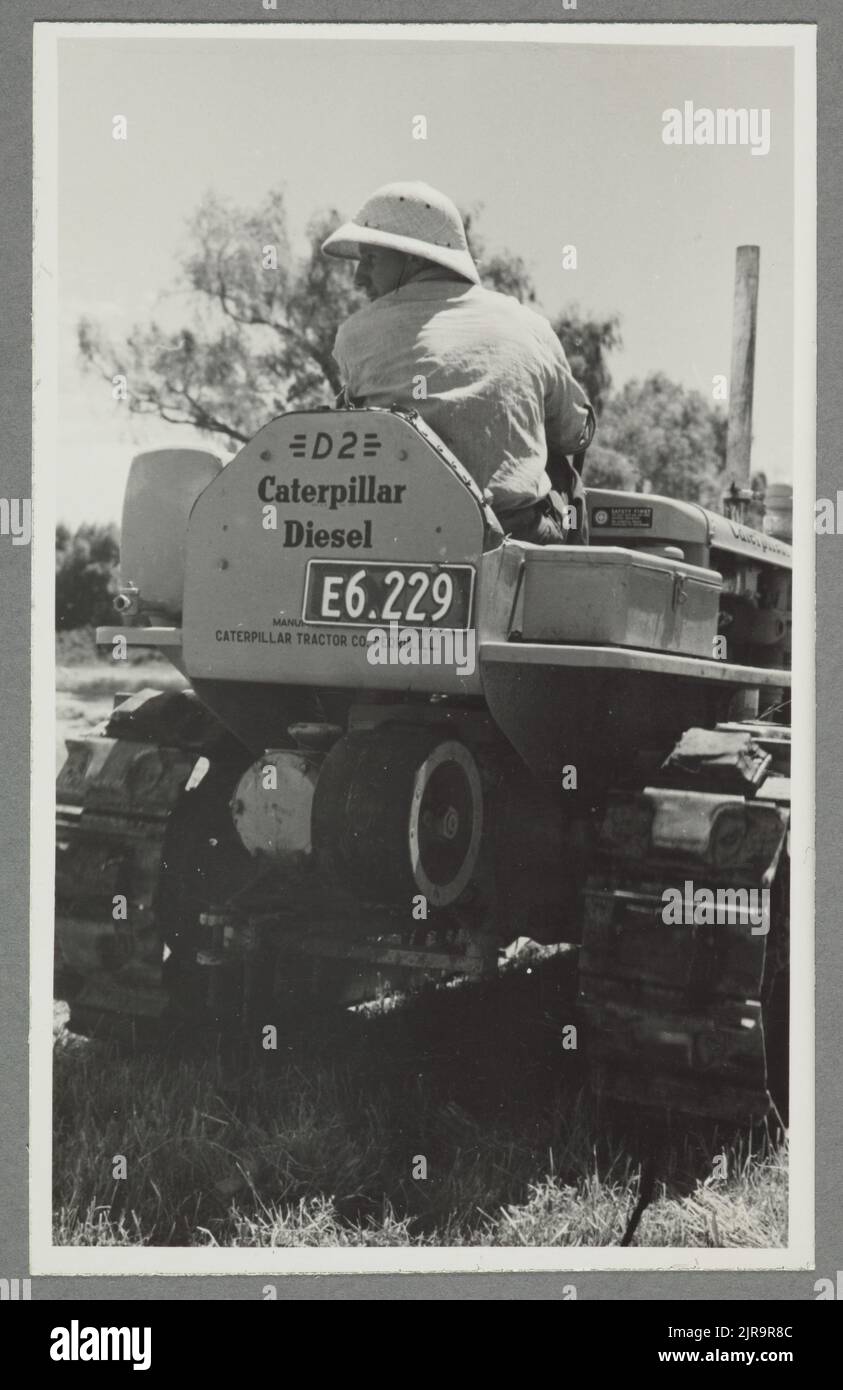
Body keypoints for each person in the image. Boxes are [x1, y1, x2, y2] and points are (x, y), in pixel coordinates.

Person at [321, 180, 595, 545]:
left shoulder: (354, 333)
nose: (358, 278)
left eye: (370, 259)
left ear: (415, 257)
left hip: (391, 533)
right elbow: (575, 434)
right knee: (562, 471)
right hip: (510, 534)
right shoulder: (528, 325)